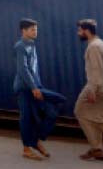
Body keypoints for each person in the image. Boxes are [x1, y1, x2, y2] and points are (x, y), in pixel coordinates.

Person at [13, 18, 66, 160]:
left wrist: (37, 86)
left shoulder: (32, 45)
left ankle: (36, 140)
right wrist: (34, 88)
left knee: (53, 110)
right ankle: (26, 148)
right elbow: (23, 69)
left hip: (36, 87)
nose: (35, 32)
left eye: (36, 29)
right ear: (23, 31)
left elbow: (33, 69)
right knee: (26, 118)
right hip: (25, 89)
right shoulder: (20, 46)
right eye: (32, 29)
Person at [74, 19, 103, 161]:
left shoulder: (93, 47)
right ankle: (97, 148)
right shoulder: (99, 44)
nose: (78, 33)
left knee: (80, 111)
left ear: (86, 31)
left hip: (97, 86)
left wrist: (92, 90)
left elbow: (96, 70)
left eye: (80, 30)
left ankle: (97, 148)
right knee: (96, 115)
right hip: (99, 85)